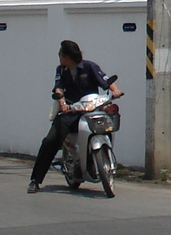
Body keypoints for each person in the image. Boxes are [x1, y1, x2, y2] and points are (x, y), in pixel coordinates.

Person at [28, 39, 120, 192]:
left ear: (67, 56)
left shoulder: (89, 66)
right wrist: (62, 102)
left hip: (91, 110)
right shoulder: (61, 70)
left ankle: (101, 159)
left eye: (60, 54)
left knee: (107, 125)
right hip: (70, 112)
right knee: (50, 141)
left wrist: (116, 90)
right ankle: (35, 180)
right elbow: (58, 88)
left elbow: (105, 80)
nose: (59, 57)